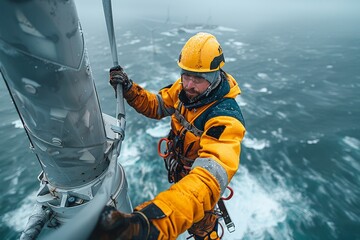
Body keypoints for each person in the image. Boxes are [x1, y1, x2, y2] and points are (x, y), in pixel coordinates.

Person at [91, 32, 246, 240]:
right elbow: (157, 106)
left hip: (197, 187)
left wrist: (151, 225)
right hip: (180, 172)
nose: (189, 84)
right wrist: (129, 89)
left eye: (198, 78)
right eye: (186, 75)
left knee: (203, 229)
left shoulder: (225, 118)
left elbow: (208, 180)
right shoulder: (184, 90)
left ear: (215, 76)